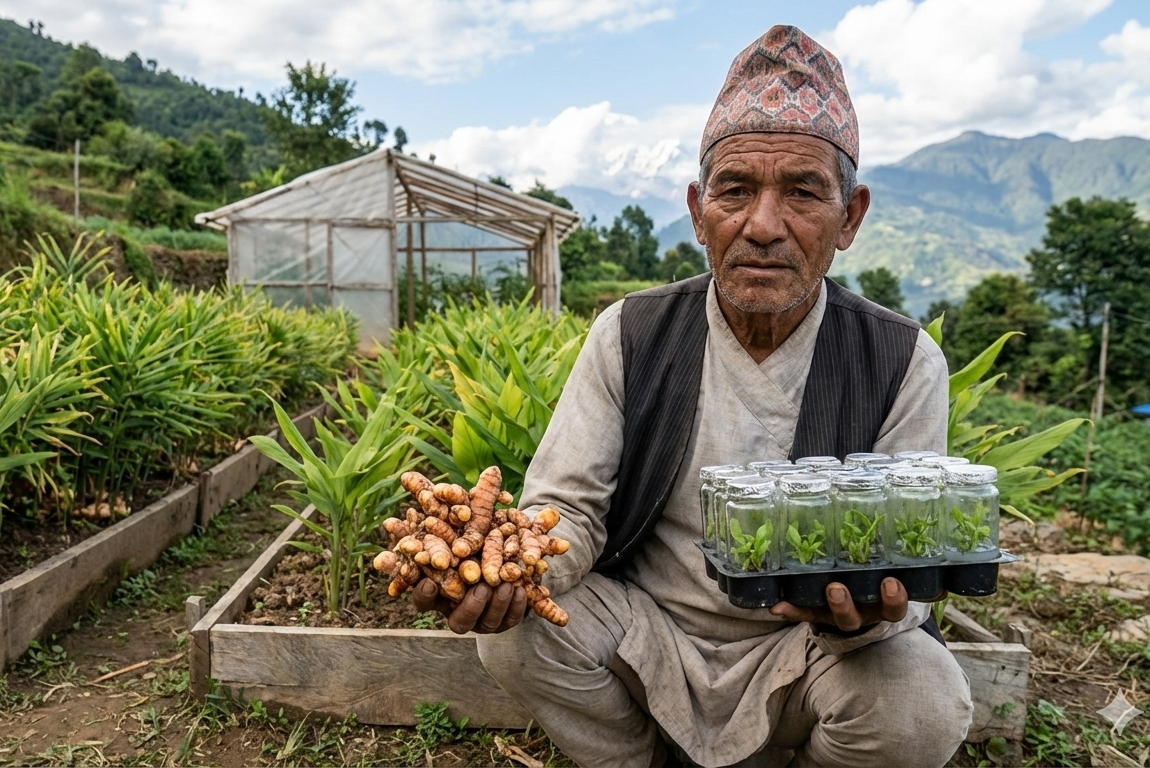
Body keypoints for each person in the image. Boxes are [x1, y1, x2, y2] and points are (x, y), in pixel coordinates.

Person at [411, 24, 972, 768]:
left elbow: (916, 554)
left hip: (804, 649)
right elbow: (567, 508)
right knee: (517, 636)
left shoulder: (901, 358)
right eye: (735, 191)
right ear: (697, 209)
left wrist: (866, 613)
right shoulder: (632, 332)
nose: (763, 225)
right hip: (648, 630)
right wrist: (520, 570)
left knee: (922, 700)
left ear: (851, 217)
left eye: (803, 192)